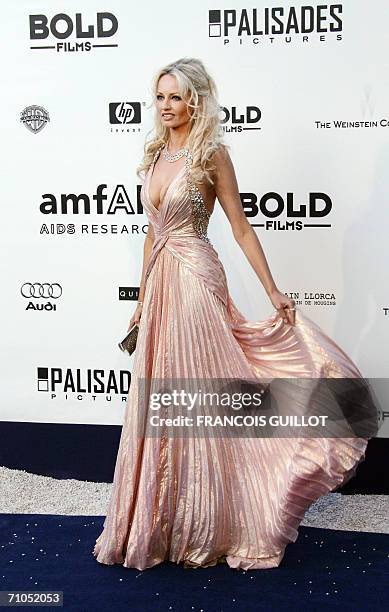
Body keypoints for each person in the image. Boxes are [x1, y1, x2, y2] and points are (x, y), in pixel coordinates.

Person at [92, 57, 379, 571]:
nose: (166, 107)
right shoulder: (156, 153)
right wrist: (139, 299)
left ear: (196, 101)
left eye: (176, 97)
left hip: (198, 283)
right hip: (161, 287)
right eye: (160, 97)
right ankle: (162, 520)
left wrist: (272, 291)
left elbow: (242, 228)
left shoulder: (213, 155)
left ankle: (218, 516)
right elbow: (152, 235)